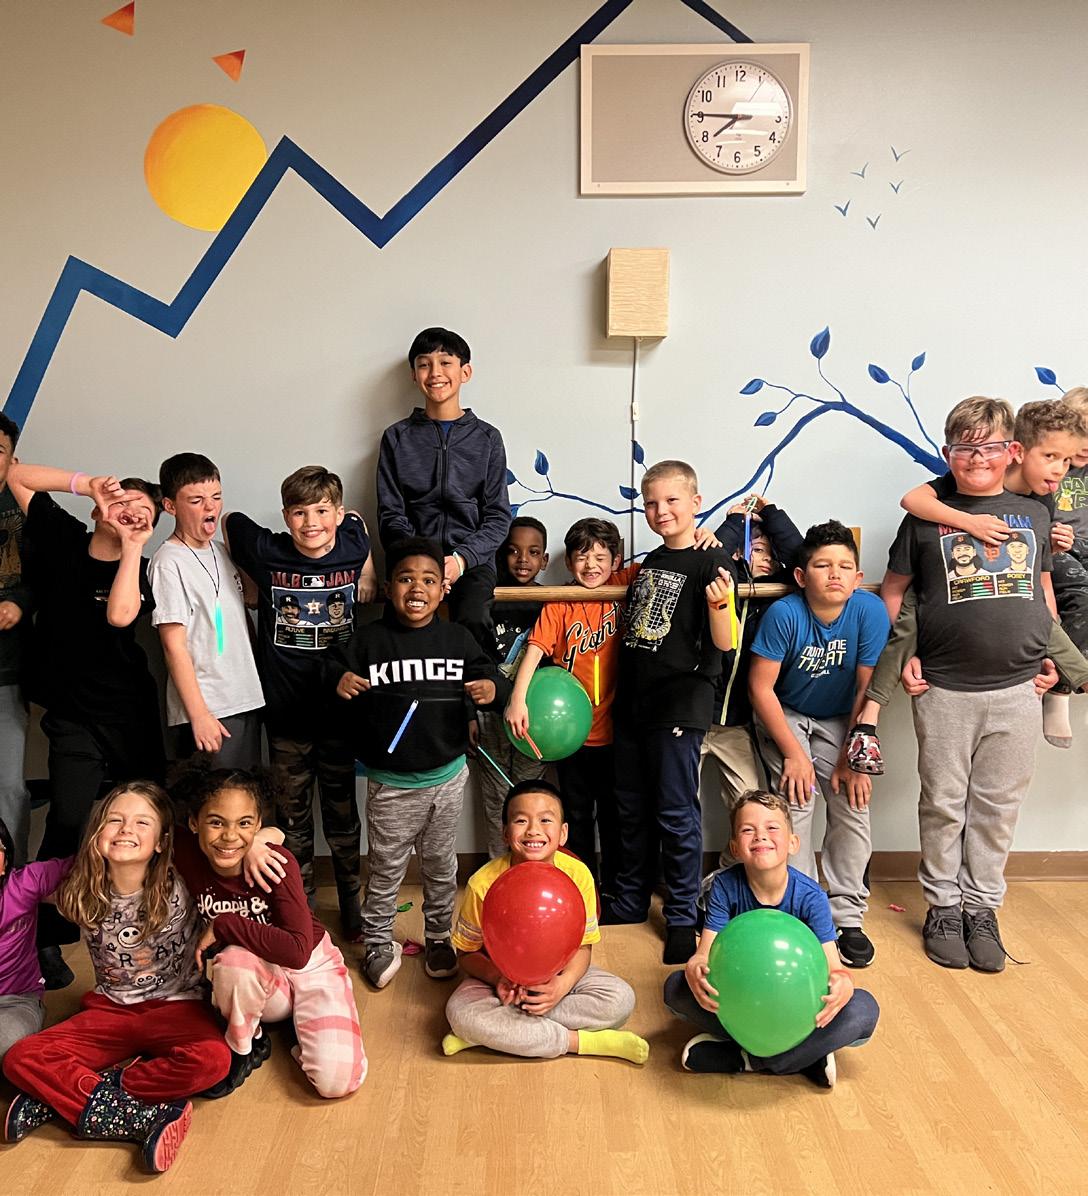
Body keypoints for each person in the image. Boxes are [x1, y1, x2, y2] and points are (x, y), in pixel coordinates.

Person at [882, 396, 1061, 971]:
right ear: (947, 453)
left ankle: (982, 908)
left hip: (1018, 688)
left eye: (990, 447)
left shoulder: (1033, 513)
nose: (977, 458)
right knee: (943, 804)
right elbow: (893, 591)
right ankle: (943, 905)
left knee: (997, 807)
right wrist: (901, 656)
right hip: (945, 689)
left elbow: (1041, 589)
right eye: (965, 448)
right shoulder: (926, 516)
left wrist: (1052, 655)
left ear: (1012, 451)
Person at [2, 782, 230, 1174]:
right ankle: (131, 1114)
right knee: (20, 1058)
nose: (126, 829)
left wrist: (266, 838)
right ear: (97, 833)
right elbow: (26, 882)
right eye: (114, 820)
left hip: (178, 1006)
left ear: (162, 841)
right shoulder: (78, 882)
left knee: (213, 1062)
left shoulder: (184, 872)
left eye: (142, 822)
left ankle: (67, 1095)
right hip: (109, 1010)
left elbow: (230, 848)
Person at [848, 397, 1086, 766]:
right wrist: (970, 522)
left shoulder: (1039, 505)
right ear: (1022, 453)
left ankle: (1069, 684)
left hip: (1016, 644)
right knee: (909, 620)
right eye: (1051, 456)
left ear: (1011, 451)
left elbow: (1041, 588)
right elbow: (912, 501)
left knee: (1049, 614)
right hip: (938, 610)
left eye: (1067, 461)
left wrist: (1048, 550)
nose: (1059, 469)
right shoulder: (952, 485)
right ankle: (869, 716)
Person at [9, 463, 165, 991]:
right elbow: (18, 476)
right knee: (70, 821)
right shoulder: (63, 536)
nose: (131, 514)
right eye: (123, 504)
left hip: (130, 714)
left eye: (144, 513)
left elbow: (120, 616)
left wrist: (133, 545)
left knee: (146, 821)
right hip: (72, 715)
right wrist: (87, 483)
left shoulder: (142, 567)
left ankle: (145, 929)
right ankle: (46, 938)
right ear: (100, 508)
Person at [334, 537, 510, 989]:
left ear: (443, 589)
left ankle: (438, 938)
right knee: (387, 869)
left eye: (429, 580)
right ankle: (378, 942)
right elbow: (330, 670)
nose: (417, 588)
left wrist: (492, 689)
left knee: (440, 866)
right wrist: (339, 679)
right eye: (406, 579)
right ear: (388, 587)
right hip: (391, 784)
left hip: (447, 779)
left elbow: (488, 675)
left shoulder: (457, 638)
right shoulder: (369, 640)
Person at [224, 466, 377, 939]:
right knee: (292, 819)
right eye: (299, 513)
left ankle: (351, 900)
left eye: (322, 511)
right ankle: (301, 905)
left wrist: (368, 569)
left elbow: (360, 525)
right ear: (286, 516)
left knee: (342, 815)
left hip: (339, 714)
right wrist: (249, 582)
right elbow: (230, 521)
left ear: (337, 513)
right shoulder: (268, 551)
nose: (311, 523)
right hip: (286, 712)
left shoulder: (353, 543)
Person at [604, 460, 736, 964]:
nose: (661, 511)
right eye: (652, 503)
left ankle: (683, 916)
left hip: (680, 702)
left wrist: (721, 605)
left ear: (696, 503)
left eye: (672, 501)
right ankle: (630, 899)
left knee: (676, 811)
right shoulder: (652, 561)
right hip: (634, 703)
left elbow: (724, 641)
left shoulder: (712, 560)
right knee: (630, 807)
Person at [171, 764, 366, 1100]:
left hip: (309, 964)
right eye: (216, 822)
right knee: (234, 961)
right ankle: (244, 1044)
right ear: (193, 823)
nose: (230, 836)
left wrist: (224, 923)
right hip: (255, 971)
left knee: (336, 1083)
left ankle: (303, 1023)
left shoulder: (276, 863)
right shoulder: (186, 849)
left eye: (244, 823)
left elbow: (297, 952)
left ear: (258, 823)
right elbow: (143, 826)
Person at [748, 520, 891, 967]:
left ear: (857, 576)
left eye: (844, 567)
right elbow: (760, 689)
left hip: (842, 718)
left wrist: (853, 757)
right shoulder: (785, 614)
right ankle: (804, 910)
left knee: (852, 799)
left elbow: (867, 688)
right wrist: (794, 754)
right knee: (797, 799)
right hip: (787, 711)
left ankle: (847, 916)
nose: (834, 574)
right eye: (823, 565)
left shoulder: (868, 611)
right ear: (801, 575)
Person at [664, 789, 879, 1084]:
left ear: (793, 843)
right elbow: (705, 954)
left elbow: (835, 968)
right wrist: (695, 966)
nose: (760, 836)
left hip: (798, 1004)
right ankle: (805, 1057)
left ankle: (750, 1059)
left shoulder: (812, 897)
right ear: (734, 847)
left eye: (772, 827)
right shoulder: (724, 887)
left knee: (864, 1009)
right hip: (743, 997)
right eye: (747, 830)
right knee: (676, 988)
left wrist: (843, 983)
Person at [442, 780, 647, 1065]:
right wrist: (497, 978)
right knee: (460, 1013)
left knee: (620, 999)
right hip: (499, 980)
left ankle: (496, 1033)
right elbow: (466, 954)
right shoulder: (483, 884)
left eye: (545, 820)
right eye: (521, 820)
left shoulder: (578, 875)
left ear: (563, 833)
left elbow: (584, 947)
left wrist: (562, 986)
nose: (533, 830)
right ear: (505, 833)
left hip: (559, 972)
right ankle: (579, 1042)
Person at [505, 518, 638, 895]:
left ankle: (613, 889)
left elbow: (673, 559)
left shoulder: (625, 582)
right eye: (582, 557)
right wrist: (518, 699)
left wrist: (709, 534)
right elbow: (536, 649)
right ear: (568, 562)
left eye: (600, 557)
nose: (591, 565)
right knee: (576, 814)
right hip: (571, 735)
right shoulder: (560, 602)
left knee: (615, 814)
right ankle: (580, 886)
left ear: (616, 560)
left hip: (616, 732)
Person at [377, 327, 511, 652]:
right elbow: (390, 514)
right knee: (398, 629)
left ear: (465, 372)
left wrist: (461, 560)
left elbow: (497, 517)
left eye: (445, 362)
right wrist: (425, 565)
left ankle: (480, 684)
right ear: (414, 375)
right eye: (424, 364)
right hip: (412, 560)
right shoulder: (396, 437)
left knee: (474, 618)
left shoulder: (488, 438)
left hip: (471, 562)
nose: (435, 372)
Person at [704, 493, 804, 862]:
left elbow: (801, 557)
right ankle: (681, 881)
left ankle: (731, 875)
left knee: (749, 806)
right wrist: (735, 522)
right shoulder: (718, 580)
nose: (765, 560)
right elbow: (710, 558)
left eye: (770, 554)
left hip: (738, 723)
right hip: (696, 717)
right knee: (675, 801)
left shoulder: (777, 596)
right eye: (757, 550)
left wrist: (771, 514)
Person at [149, 453, 264, 768]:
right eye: (196, 500)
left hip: (244, 697)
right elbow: (173, 646)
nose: (210, 507)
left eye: (216, 497)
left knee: (246, 793)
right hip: (209, 707)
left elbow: (248, 604)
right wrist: (199, 714)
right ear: (170, 506)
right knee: (213, 794)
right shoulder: (168, 562)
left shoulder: (221, 551)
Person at [475, 517, 548, 858]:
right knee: (496, 798)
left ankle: (529, 866)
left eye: (533, 552)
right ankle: (499, 866)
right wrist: (470, 713)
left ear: (544, 560)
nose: (522, 560)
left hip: (534, 715)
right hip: (490, 714)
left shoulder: (549, 601)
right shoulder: (485, 598)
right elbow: (470, 661)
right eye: (513, 551)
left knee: (529, 794)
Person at [0, 817, 73, 1064]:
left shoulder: (23, 883)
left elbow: (87, 865)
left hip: (15, 1001)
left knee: (6, 1047)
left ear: (5, 861)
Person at [0, 416, 33, 868]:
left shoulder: (24, 505)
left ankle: (15, 891)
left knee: (9, 787)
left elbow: (48, 572)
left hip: (8, 671)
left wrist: (19, 603)